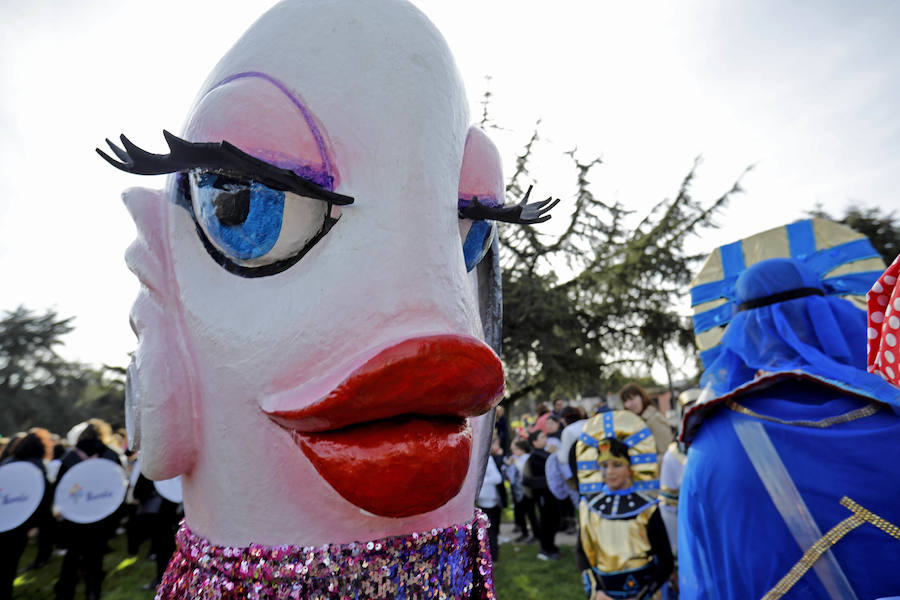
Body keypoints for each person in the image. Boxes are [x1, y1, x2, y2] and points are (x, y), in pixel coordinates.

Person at [679, 220, 900, 599]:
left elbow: (706, 581)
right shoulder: (891, 416)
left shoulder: (710, 445)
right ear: (831, 315)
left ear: (739, 334)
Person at [579, 438, 673, 600]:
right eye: (604, 466)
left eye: (617, 465)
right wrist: (596, 591)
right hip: (604, 594)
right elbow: (582, 553)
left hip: (642, 593)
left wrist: (645, 593)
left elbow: (666, 560)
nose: (609, 472)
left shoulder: (646, 508)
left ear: (630, 468)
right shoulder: (589, 507)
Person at [54, 420, 124, 600]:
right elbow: (120, 485)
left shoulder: (70, 457)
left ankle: (65, 591)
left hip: (75, 514)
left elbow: (60, 487)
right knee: (95, 553)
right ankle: (93, 591)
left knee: (72, 553)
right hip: (101, 514)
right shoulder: (110, 455)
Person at [0, 432, 52, 600]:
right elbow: (42, 499)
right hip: (20, 525)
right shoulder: (38, 467)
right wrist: (35, 525)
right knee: (10, 563)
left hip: (4, 519)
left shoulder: (7, 463)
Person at [523, 430, 560, 560]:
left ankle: (551, 546)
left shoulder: (544, 453)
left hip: (550, 493)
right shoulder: (535, 457)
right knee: (546, 520)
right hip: (542, 494)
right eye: (542, 436)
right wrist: (551, 455)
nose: (546, 438)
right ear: (535, 442)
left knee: (554, 519)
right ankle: (545, 550)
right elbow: (545, 472)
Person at [619, 383, 673, 454]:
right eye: (625, 401)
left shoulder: (654, 419)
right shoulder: (633, 422)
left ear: (641, 397)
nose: (629, 404)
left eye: (632, 399)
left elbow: (667, 453)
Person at [505, 439, 539, 543]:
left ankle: (536, 534)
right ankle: (524, 533)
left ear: (523, 449)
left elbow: (523, 471)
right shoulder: (516, 458)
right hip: (517, 490)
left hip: (526, 490)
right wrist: (508, 464)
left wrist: (515, 462)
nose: (514, 452)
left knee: (530, 513)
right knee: (520, 513)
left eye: (516, 449)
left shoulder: (527, 458)